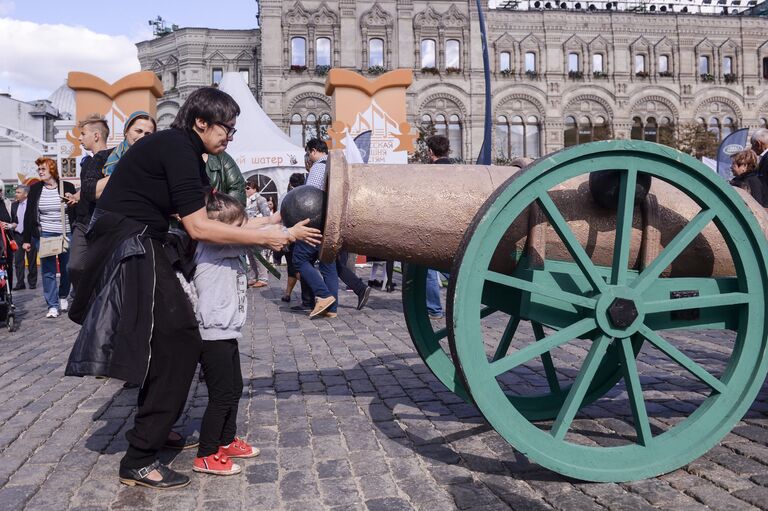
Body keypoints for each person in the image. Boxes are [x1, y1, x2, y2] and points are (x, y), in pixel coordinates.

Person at [64, 87, 321, 490]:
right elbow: (199, 228)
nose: (231, 137)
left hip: (143, 240)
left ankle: (154, 433)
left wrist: (279, 229)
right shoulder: (178, 149)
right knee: (182, 338)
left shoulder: (187, 153)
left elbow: (220, 222)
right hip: (131, 242)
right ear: (201, 122)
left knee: (170, 341)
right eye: (227, 129)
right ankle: (140, 457)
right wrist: (265, 240)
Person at [192, 191, 260, 476]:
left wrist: (281, 220)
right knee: (221, 395)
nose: (242, 232)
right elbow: (250, 237)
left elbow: (251, 233)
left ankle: (226, 440)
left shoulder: (228, 246)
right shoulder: (214, 246)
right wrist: (285, 232)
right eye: (238, 227)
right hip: (212, 334)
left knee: (234, 388)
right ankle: (207, 453)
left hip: (227, 331)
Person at [22, 157, 76, 318]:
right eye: (39, 169)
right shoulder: (35, 189)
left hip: (66, 234)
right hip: (45, 235)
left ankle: (63, 295)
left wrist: (73, 201)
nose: (40, 172)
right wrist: (26, 240)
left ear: (52, 169)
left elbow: (76, 207)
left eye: (43, 169)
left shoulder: (67, 186)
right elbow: (29, 215)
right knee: (48, 271)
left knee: (67, 268)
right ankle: (52, 305)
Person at [67, 114, 115, 289]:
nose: (79, 138)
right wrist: (77, 196)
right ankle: (85, 299)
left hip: (103, 223)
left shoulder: (112, 158)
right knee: (75, 266)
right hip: (82, 223)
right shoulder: (87, 162)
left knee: (104, 268)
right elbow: (88, 188)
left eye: (83, 133)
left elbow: (102, 189)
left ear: (96, 136)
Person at [293, 138, 339, 318]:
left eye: (308, 154)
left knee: (299, 260)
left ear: (313, 151)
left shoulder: (318, 168)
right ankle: (332, 310)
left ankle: (325, 295)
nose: (308, 158)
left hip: (316, 222)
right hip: (332, 222)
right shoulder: (334, 166)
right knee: (328, 264)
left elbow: (308, 198)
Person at [425, 135, 453, 320]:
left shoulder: (429, 172)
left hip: (434, 224)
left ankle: (434, 309)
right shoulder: (458, 169)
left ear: (430, 151)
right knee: (450, 264)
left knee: (427, 268)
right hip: (455, 224)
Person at [244, 176, 271, 288]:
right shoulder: (246, 200)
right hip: (248, 231)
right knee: (250, 255)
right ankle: (255, 276)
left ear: (255, 189)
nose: (246, 190)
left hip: (257, 230)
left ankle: (263, 278)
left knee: (259, 255)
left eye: (248, 188)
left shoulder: (261, 199)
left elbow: (267, 215)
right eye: (245, 188)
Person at [9, 185, 36, 290]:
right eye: (16, 192)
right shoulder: (13, 205)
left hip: (30, 235)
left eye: (18, 192)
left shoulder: (32, 204)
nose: (16, 194)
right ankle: (20, 283)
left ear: (26, 194)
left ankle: (32, 282)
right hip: (17, 235)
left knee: (32, 260)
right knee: (18, 261)